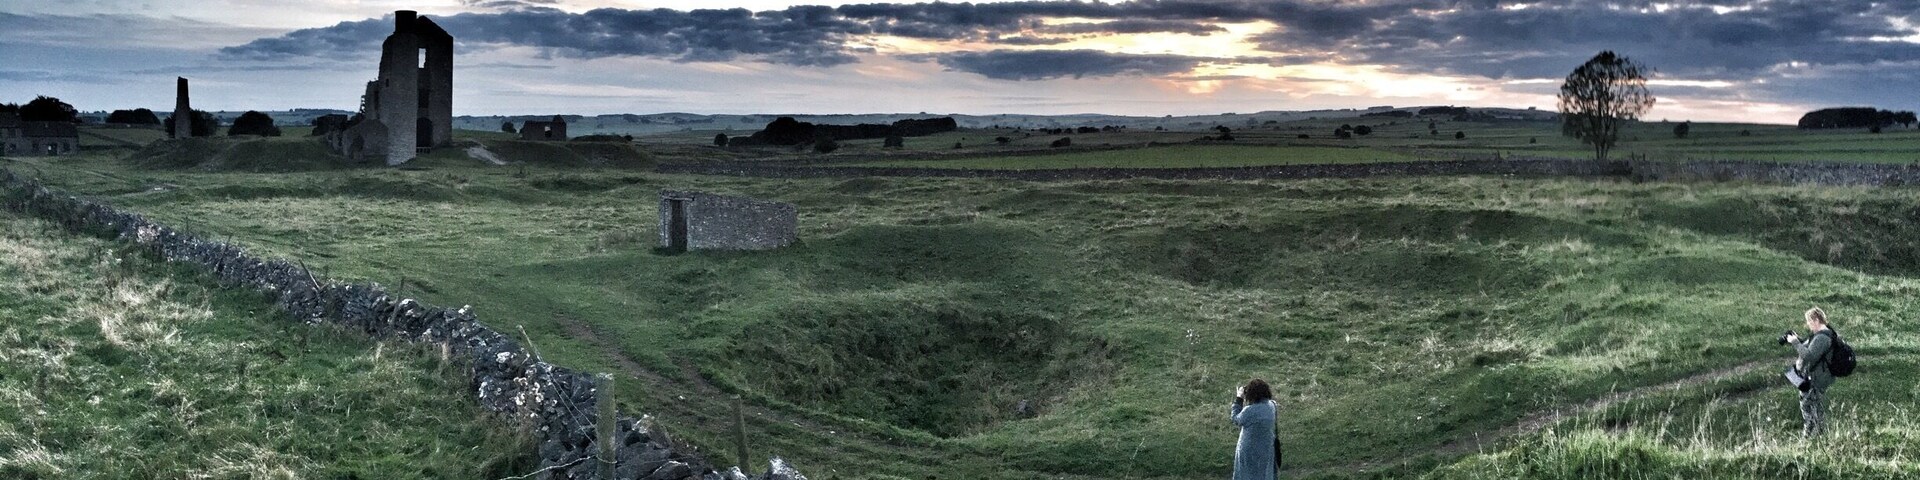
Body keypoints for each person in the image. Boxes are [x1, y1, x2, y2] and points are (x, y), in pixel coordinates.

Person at [1786, 307, 1837, 437]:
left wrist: (1796, 343)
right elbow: (1813, 349)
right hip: (1818, 377)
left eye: (1809, 322)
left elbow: (1809, 356)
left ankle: (1810, 436)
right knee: (1814, 407)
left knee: (1809, 407)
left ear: (1816, 320)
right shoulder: (1824, 334)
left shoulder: (1822, 338)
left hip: (1816, 379)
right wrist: (1800, 339)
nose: (1808, 325)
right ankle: (1818, 435)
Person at [1230, 379, 1277, 480]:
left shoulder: (1249, 411)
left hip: (1249, 449)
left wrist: (1239, 399)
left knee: (1246, 474)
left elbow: (1235, 419)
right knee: (1264, 474)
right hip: (1266, 448)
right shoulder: (1272, 405)